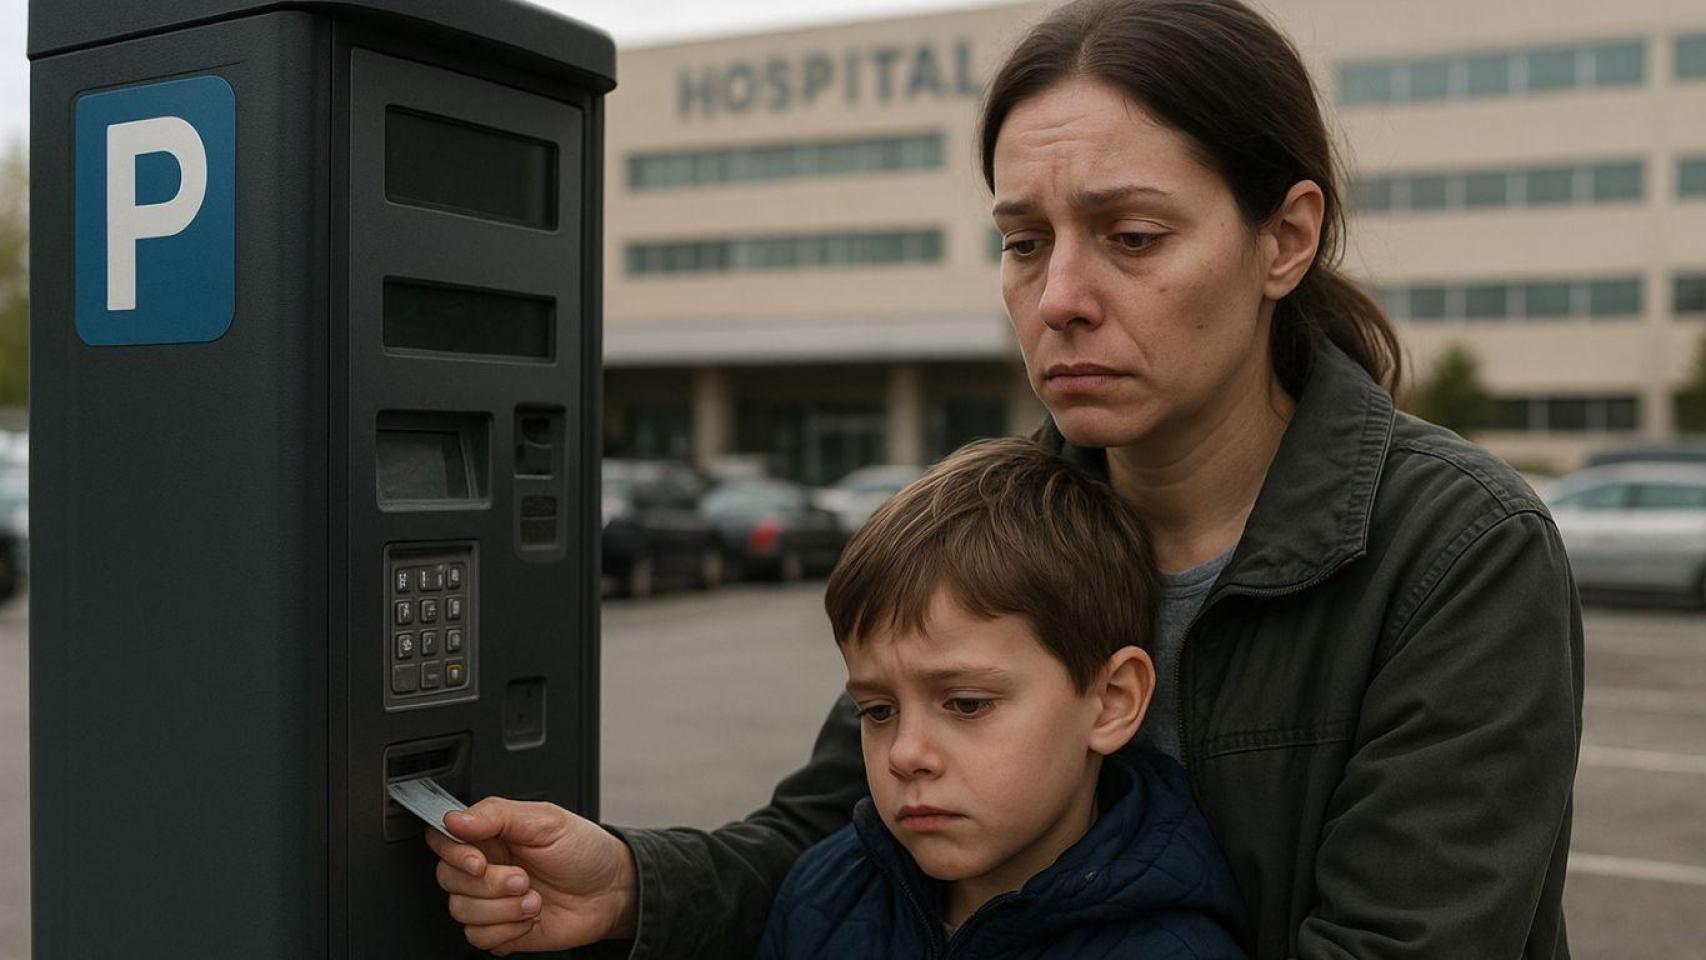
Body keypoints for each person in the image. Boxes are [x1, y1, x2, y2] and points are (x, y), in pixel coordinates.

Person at [425, 0, 1583, 956]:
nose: (1059, 296)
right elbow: (836, 836)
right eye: (1023, 243)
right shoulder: (992, 525)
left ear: (1282, 240)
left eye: (1130, 237)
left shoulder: (1454, 552)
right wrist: (628, 884)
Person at [753, 438, 1245, 957]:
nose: (904, 755)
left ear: (1112, 702)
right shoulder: (822, 894)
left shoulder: (1172, 948)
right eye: (879, 711)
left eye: (967, 703)